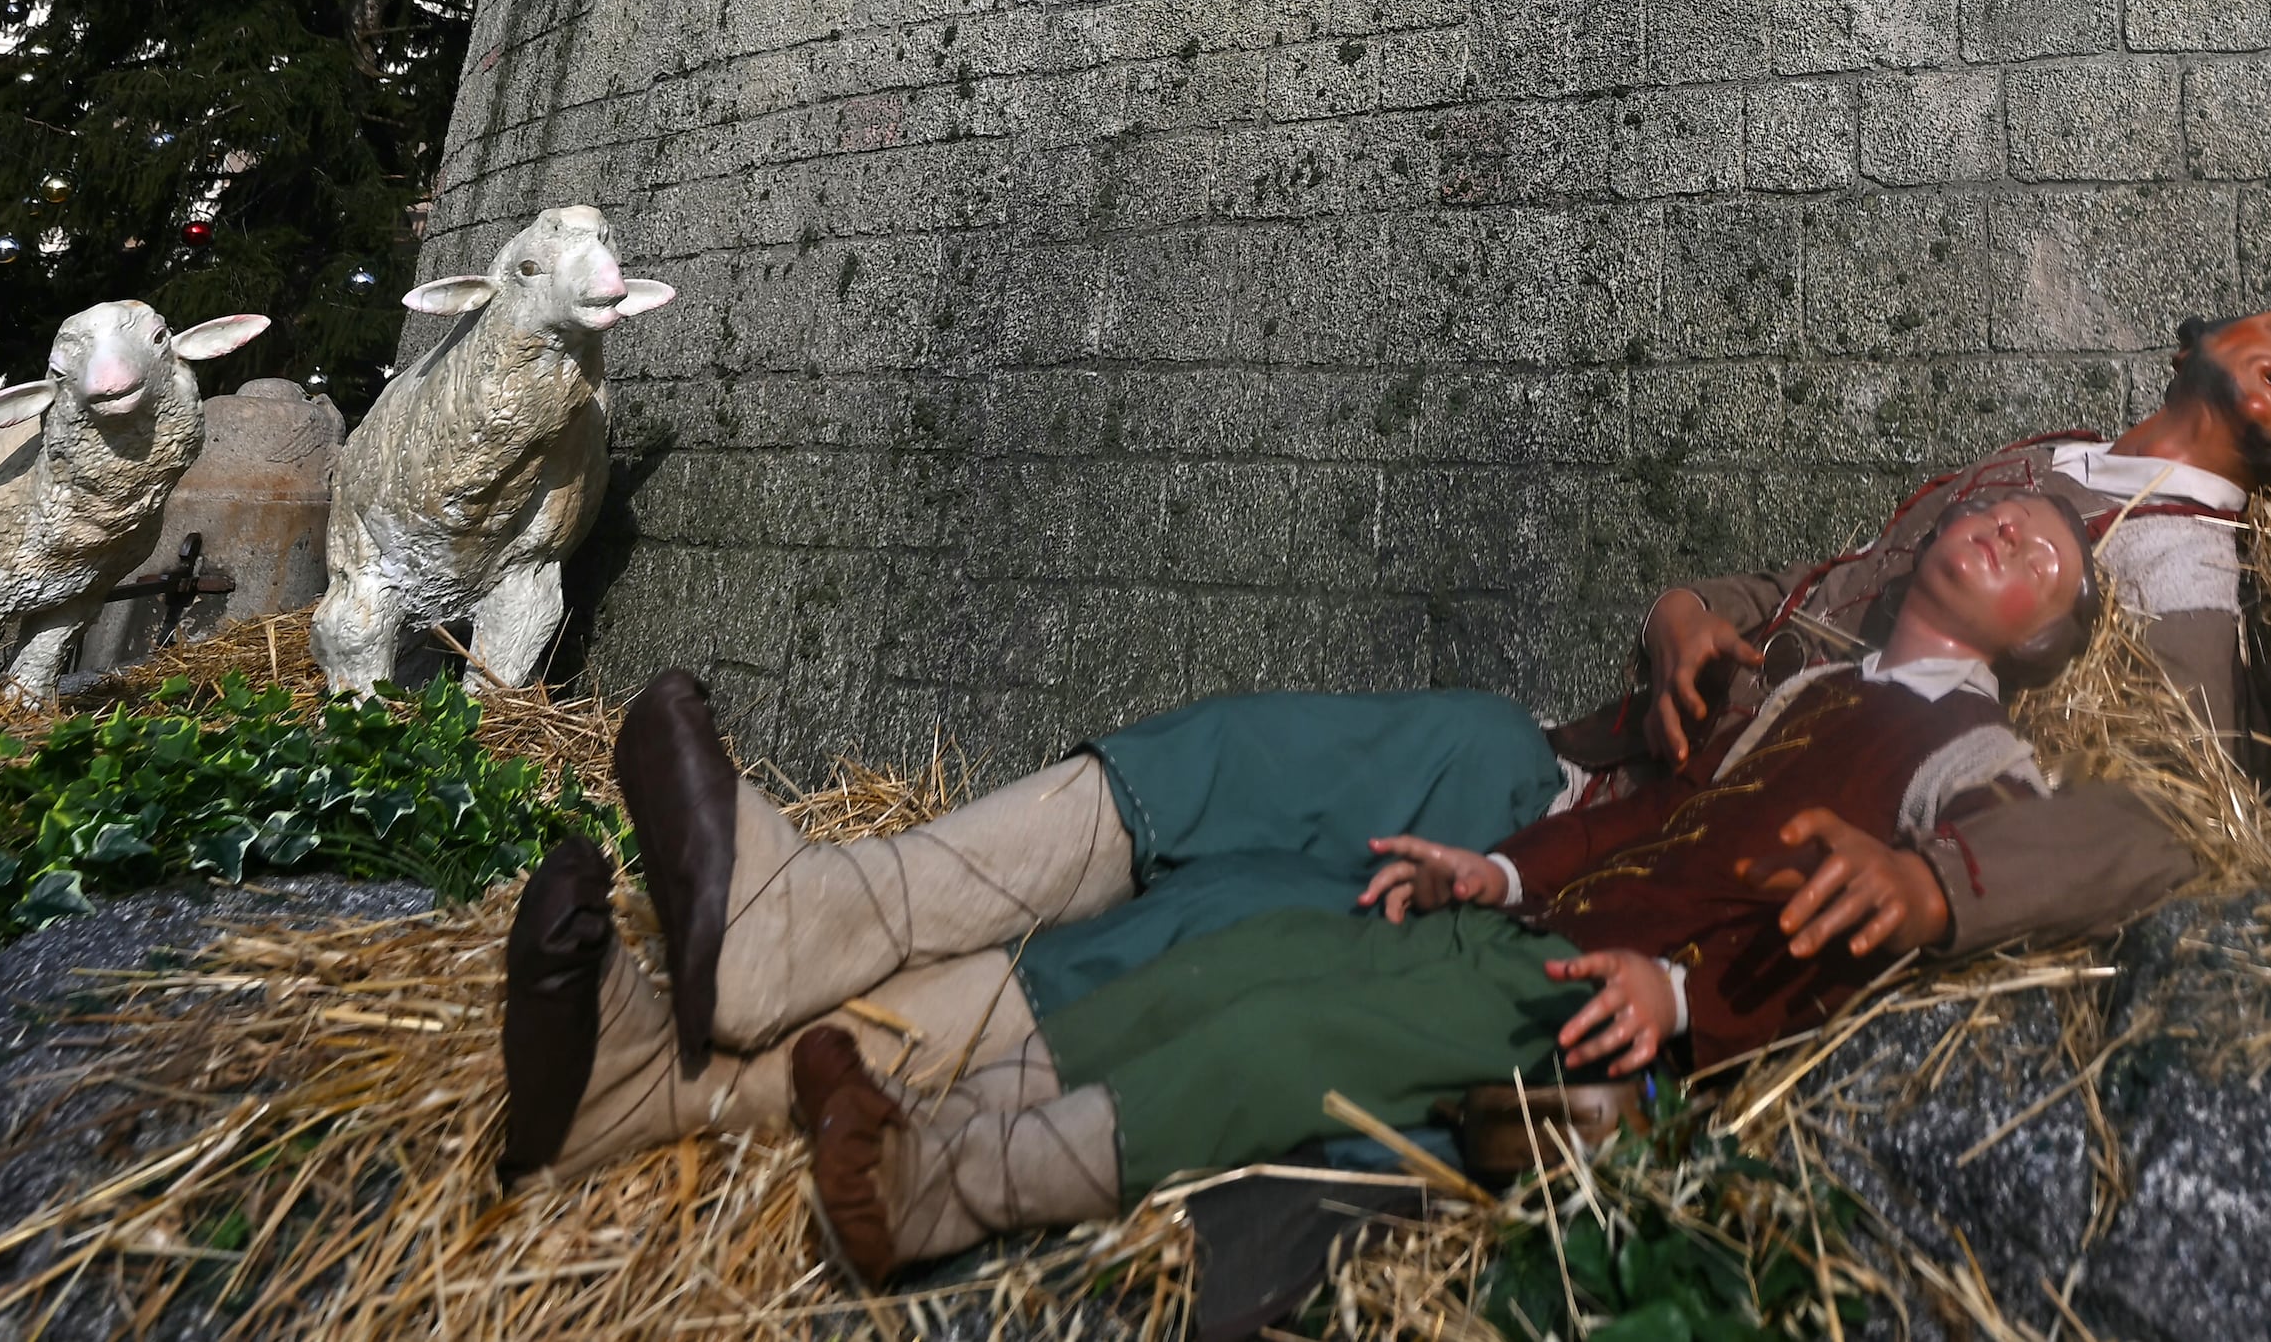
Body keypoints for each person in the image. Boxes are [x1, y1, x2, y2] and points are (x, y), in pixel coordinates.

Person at [497, 314, 2271, 1178]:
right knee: (1235, 757)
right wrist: (1684, 608)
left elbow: (2174, 806)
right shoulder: (2035, 468)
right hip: (1575, 787)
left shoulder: (2175, 561)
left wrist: (1936, 872)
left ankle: (695, 1086)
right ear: (2195, 333)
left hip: (1624, 851)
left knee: (1227, 923)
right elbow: (1804, 609)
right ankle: (809, 926)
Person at [782, 494, 2090, 1282]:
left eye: (2042, 556)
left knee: (1284, 1040)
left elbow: (1944, 892)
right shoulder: (1815, 685)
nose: (2009, 528)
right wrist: (1499, 864)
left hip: (1597, 1008)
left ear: (2038, 638)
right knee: (1242, 960)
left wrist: (1688, 998)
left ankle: (937, 1196)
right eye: (2003, 511)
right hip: (1528, 926)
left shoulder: (1970, 752)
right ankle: (926, 1120)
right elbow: (1653, 815)